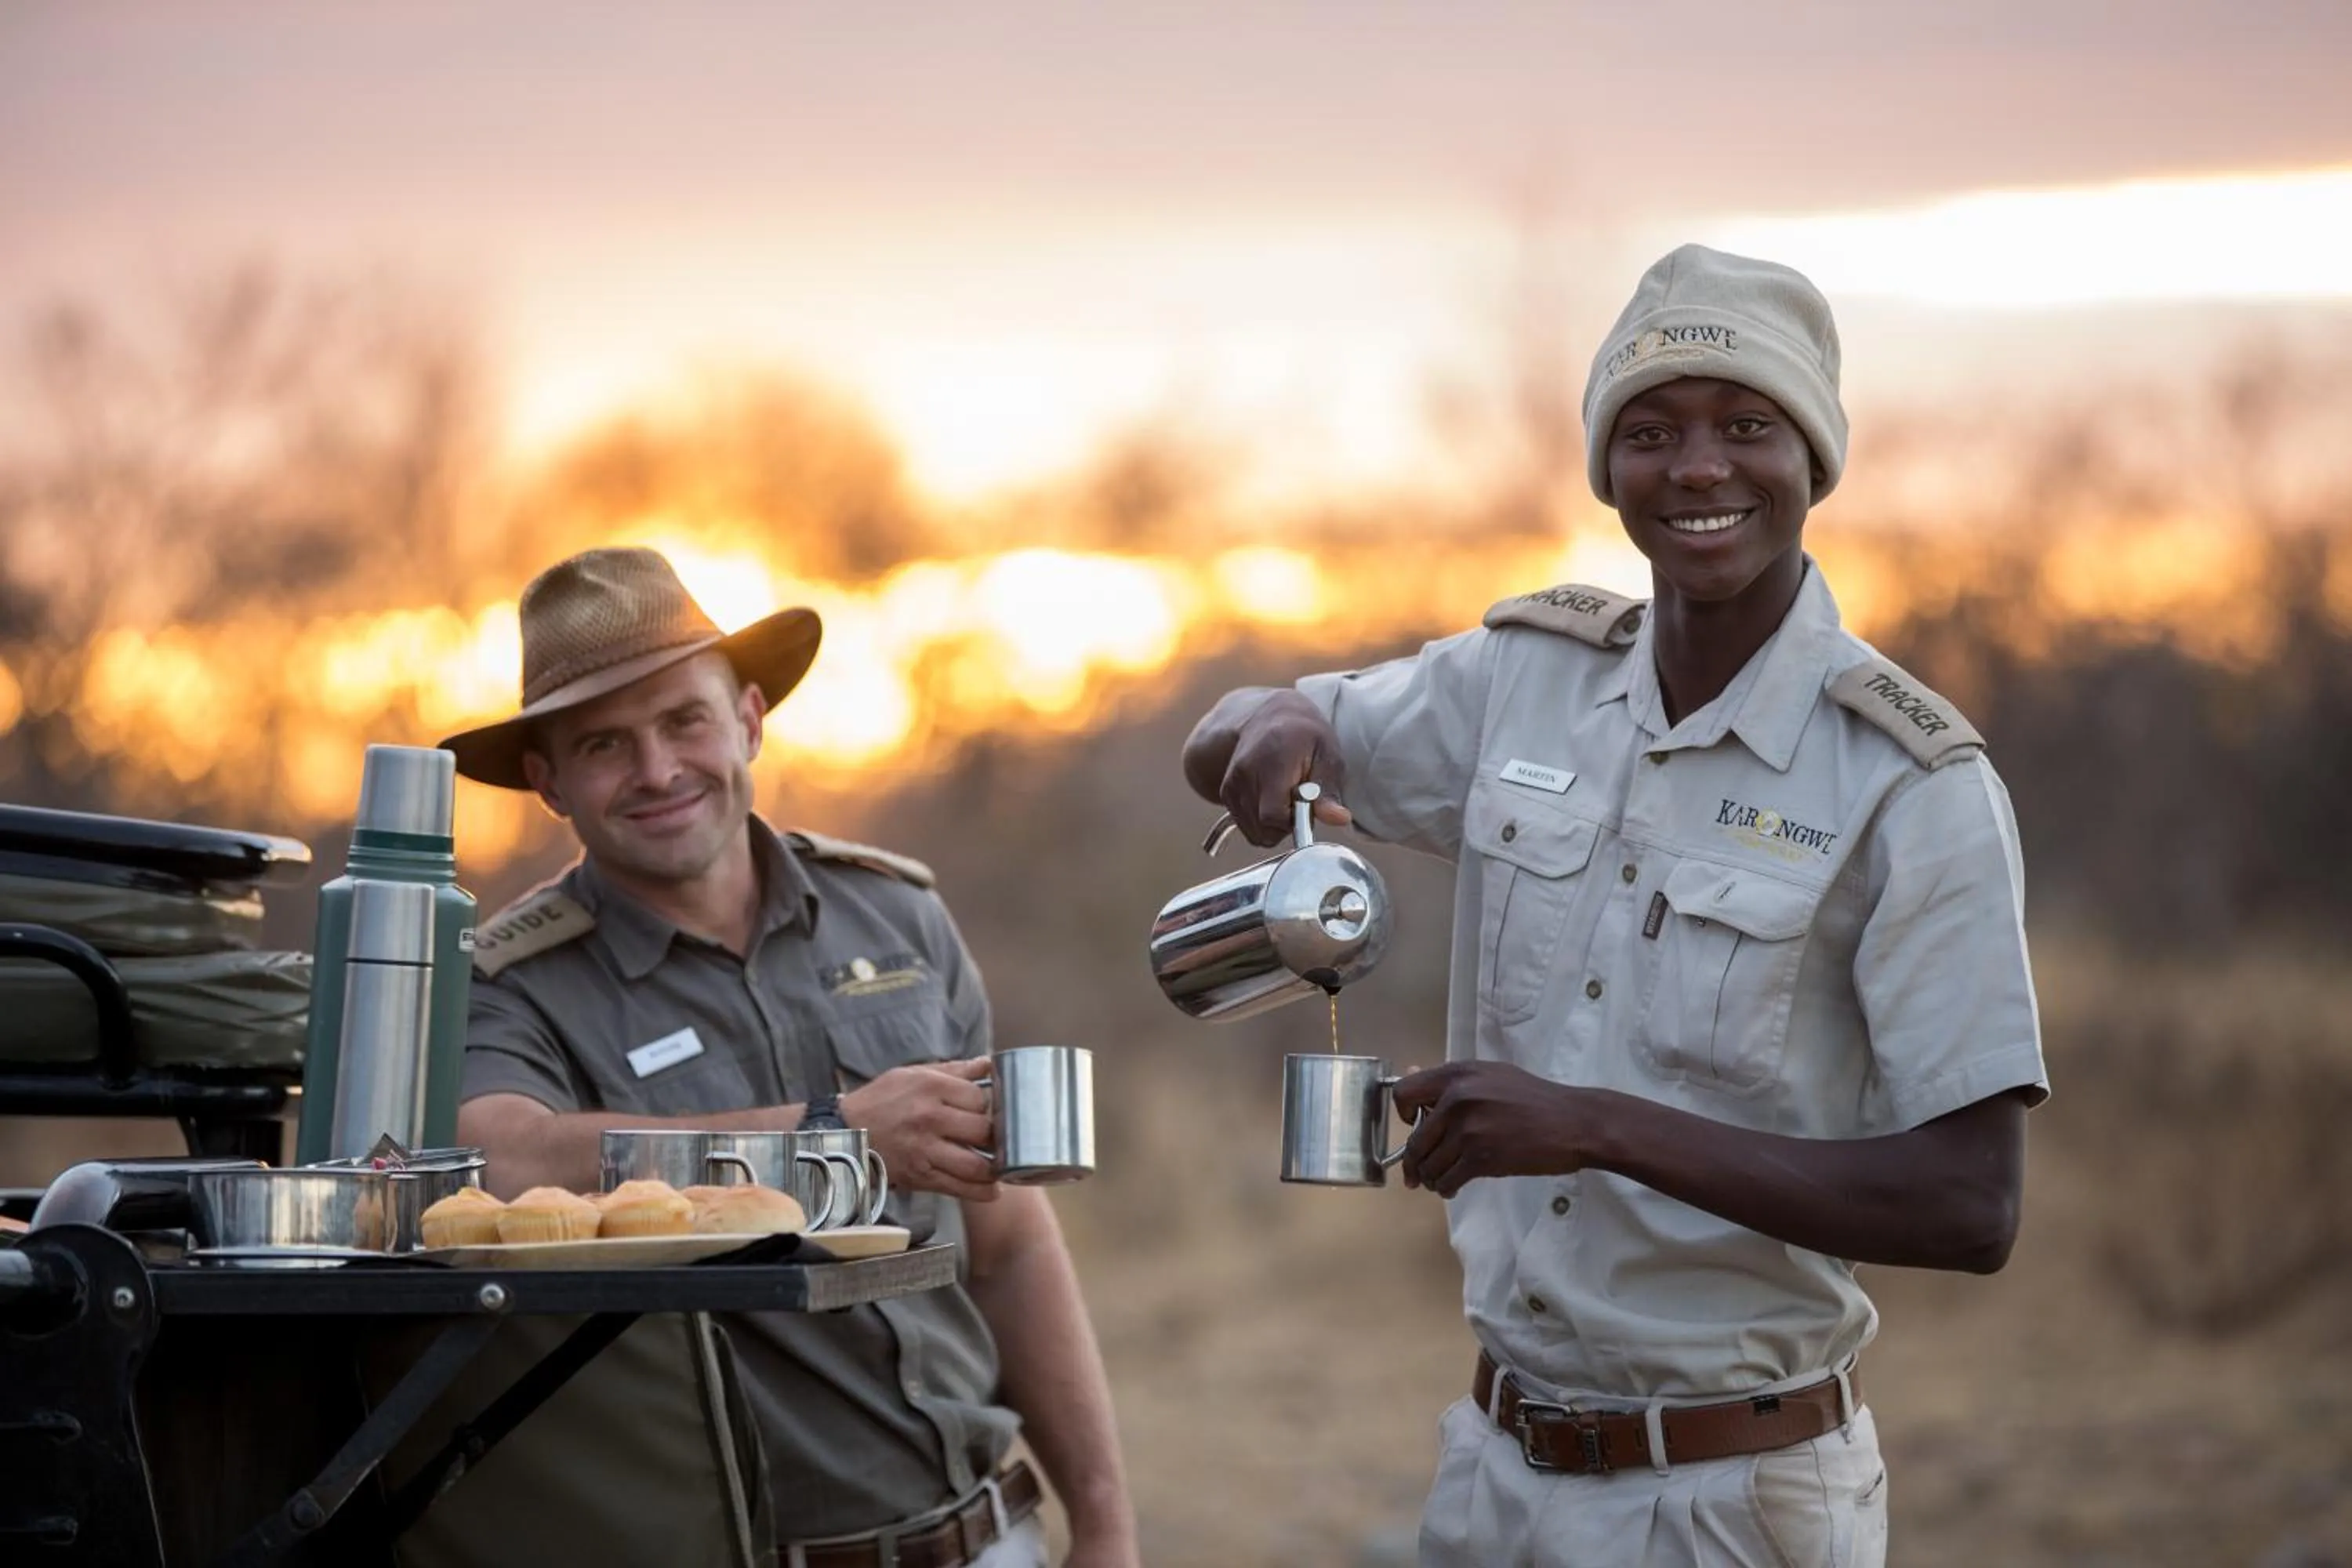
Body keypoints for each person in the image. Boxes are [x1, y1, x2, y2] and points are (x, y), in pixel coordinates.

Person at [1181, 245, 2047, 1566]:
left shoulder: (1910, 783)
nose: (1699, 468)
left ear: (1813, 458)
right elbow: (1253, 729)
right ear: (1609, 470)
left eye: (1747, 426)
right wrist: (1271, 720)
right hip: (1497, 1471)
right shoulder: (1521, 680)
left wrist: (1591, 1127)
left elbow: (1969, 1205)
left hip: (1735, 1497)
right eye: (1652, 433)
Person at [440, 546, 1138, 1568]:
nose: (659, 771)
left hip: (996, 1540)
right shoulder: (509, 984)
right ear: (547, 782)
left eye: (686, 720)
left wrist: (1108, 1523)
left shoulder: (897, 912)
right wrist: (834, 1136)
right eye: (604, 744)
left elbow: (1010, 1238)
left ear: (750, 719)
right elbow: (504, 1162)